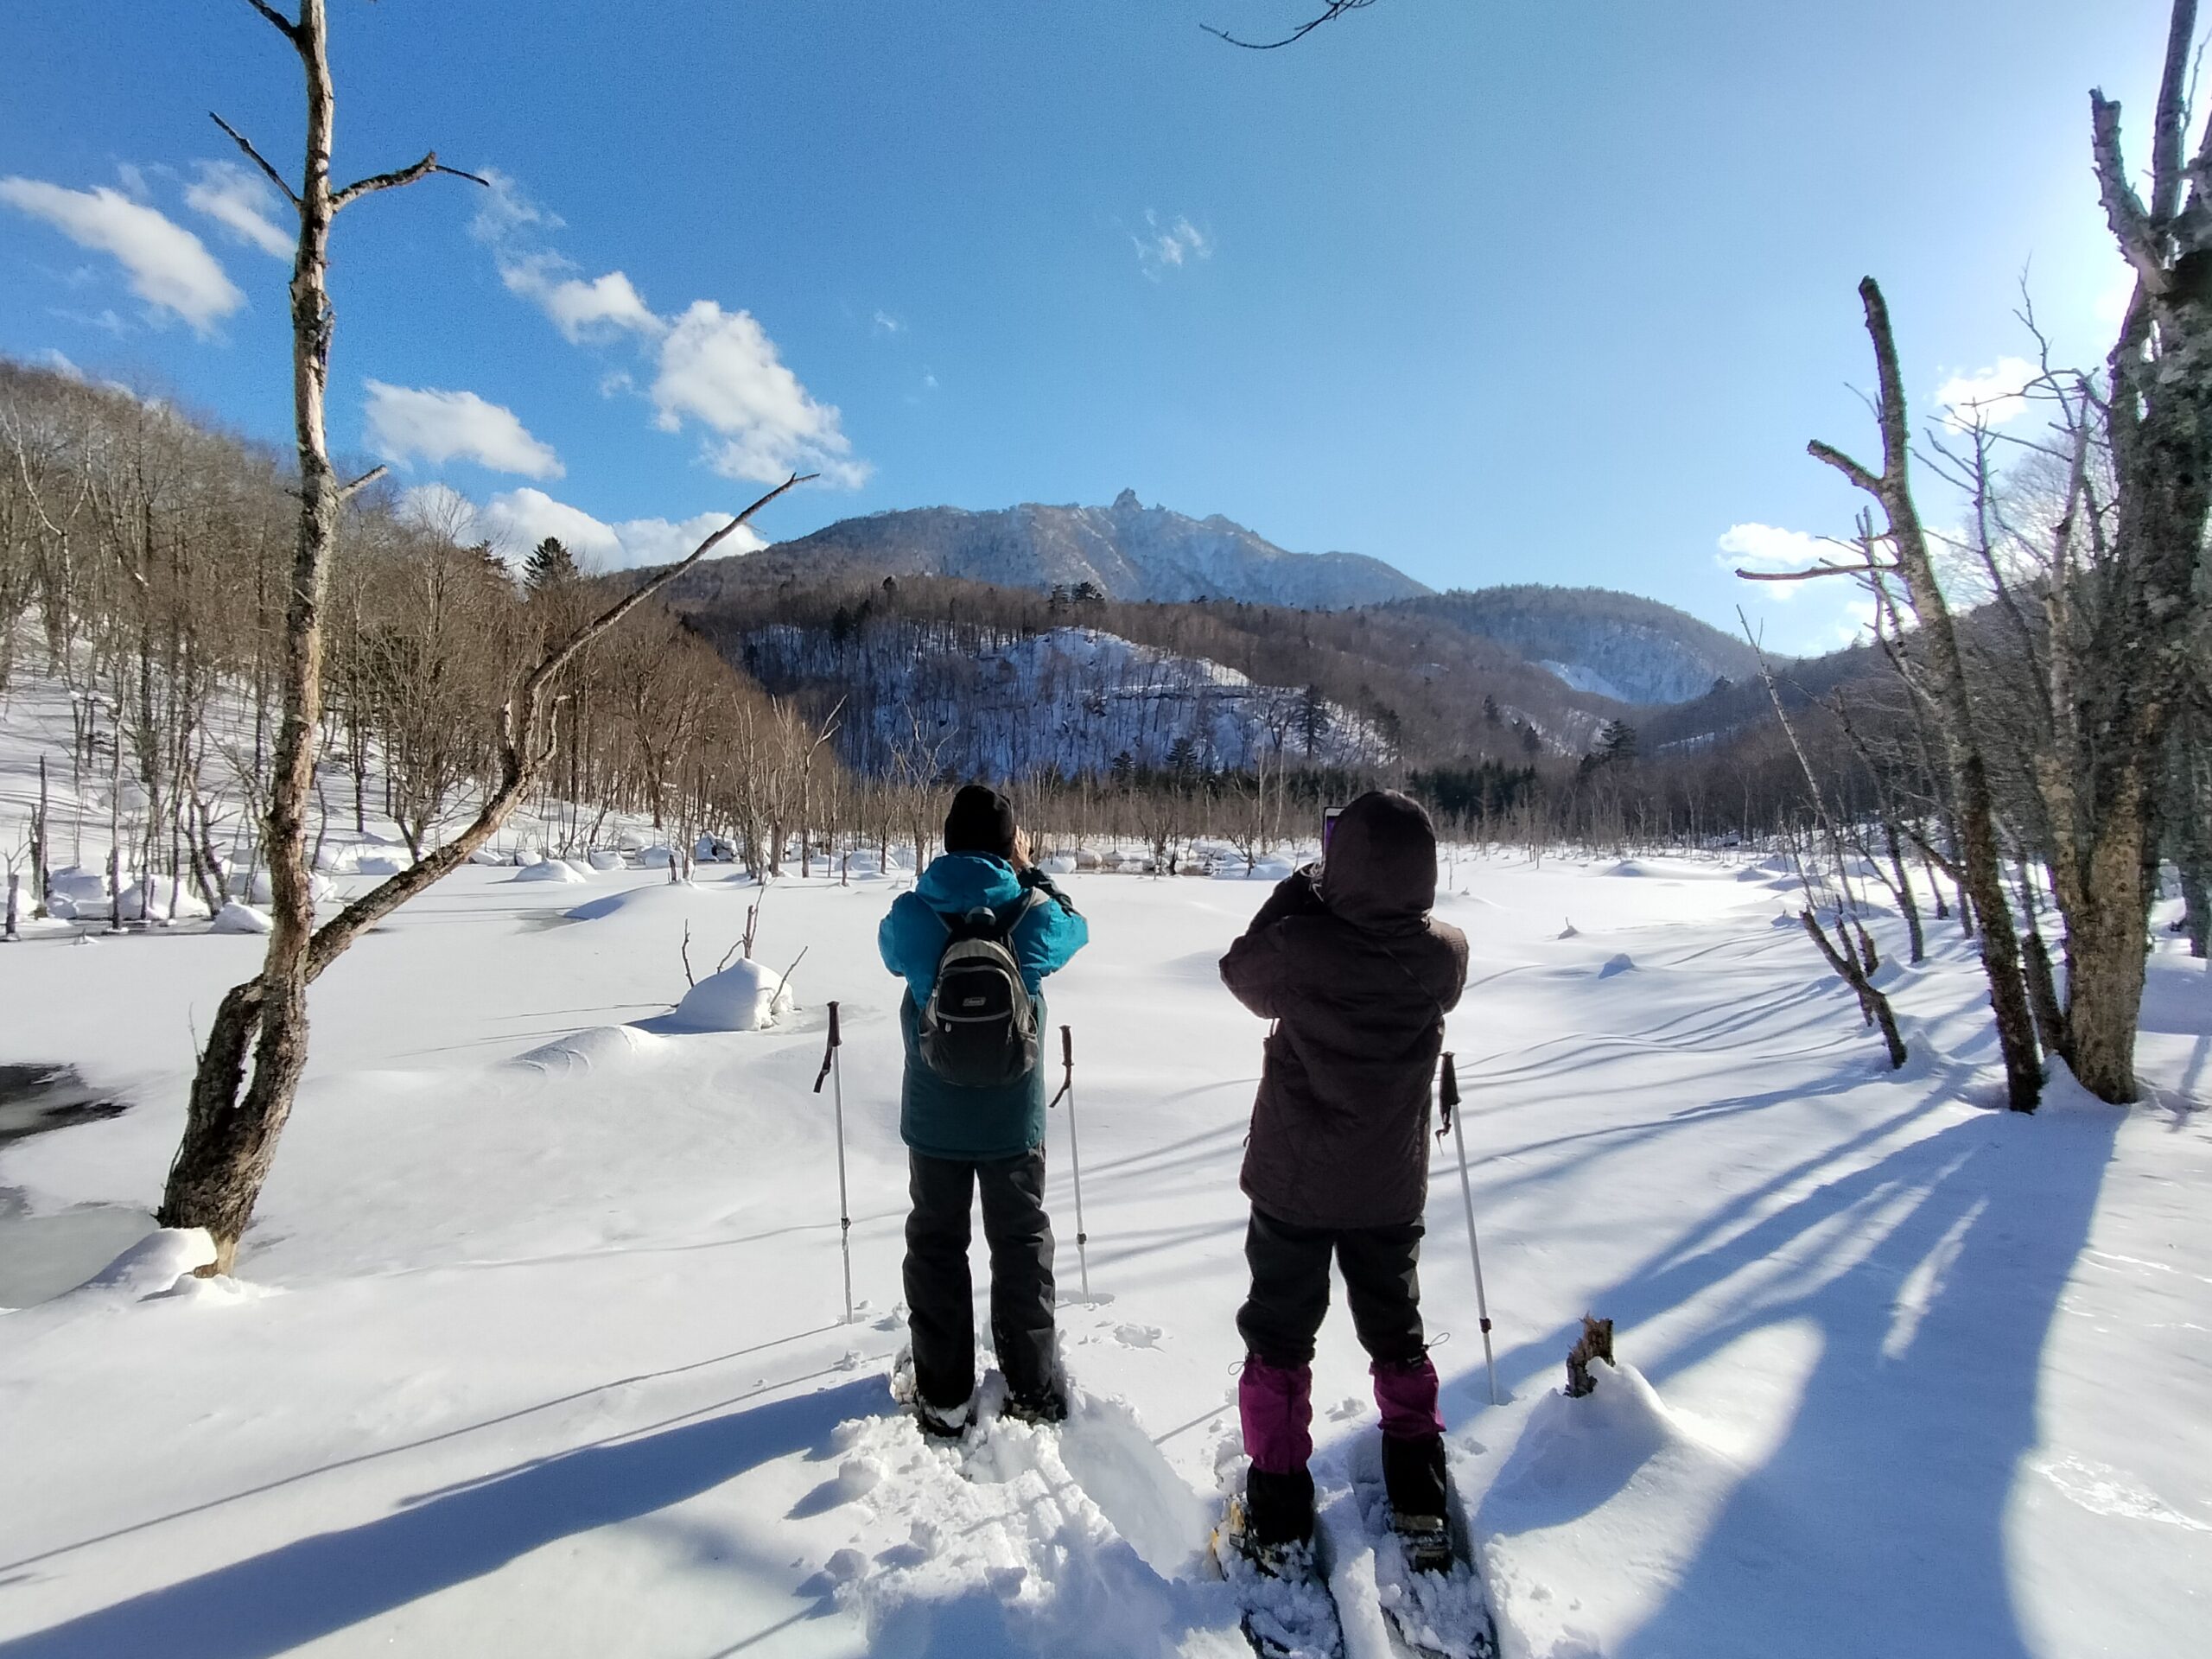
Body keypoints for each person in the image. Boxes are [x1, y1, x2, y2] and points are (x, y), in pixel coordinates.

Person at [1217, 789, 1470, 1570]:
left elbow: (1240, 969)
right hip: (1389, 1187)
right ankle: (1420, 1494)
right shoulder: (1444, 956)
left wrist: (1301, 890)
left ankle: (1280, 1512)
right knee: (1398, 1333)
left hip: (1295, 1184)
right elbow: (1428, 942)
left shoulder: (1301, 945)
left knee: (1279, 1340)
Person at [880, 783, 1089, 1435]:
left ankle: (943, 1396)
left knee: (938, 1245)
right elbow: (1076, 928)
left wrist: (934, 890)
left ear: (946, 841)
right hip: (1013, 1115)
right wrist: (1033, 873)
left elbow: (891, 951)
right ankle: (1030, 1385)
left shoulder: (915, 913)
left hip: (935, 1116)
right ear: (1010, 845)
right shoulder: (1030, 912)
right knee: (1021, 1242)